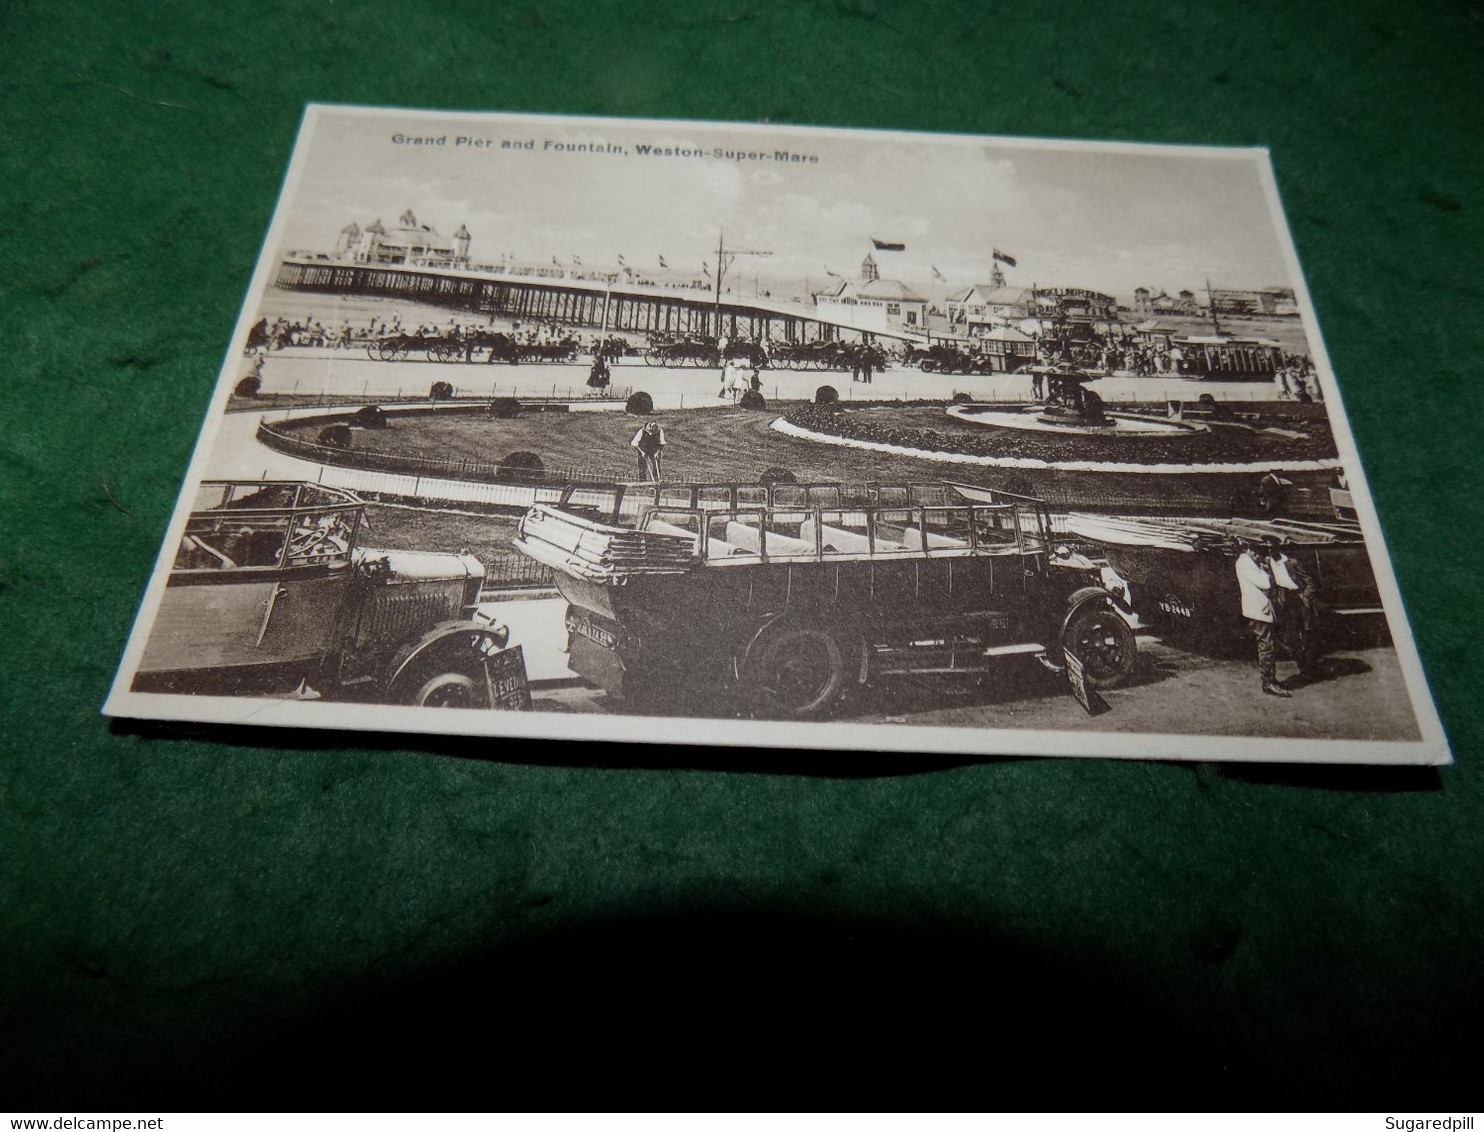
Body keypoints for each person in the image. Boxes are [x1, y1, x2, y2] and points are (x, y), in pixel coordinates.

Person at [1235, 538, 1291, 697]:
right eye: (1257, 553)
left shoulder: (1250, 562)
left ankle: (1270, 680)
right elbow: (1265, 584)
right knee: (1266, 647)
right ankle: (1268, 683)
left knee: (1268, 645)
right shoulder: (1244, 563)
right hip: (1257, 611)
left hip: (1261, 609)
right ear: (1250, 550)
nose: (1259, 557)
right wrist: (1267, 570)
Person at [1270, 538, 1322, 679]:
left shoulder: (1292, 562)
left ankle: (1311, 667)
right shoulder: (1267, 563)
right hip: (1285, 602)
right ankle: (1303, 666)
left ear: (1277, 547)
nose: (1270, 550)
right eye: (1267, 547)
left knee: (1307, 634)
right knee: (1291, 636)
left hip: (1299, 599)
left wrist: (1305, 596)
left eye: (1272, 546)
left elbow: (1310, 582)